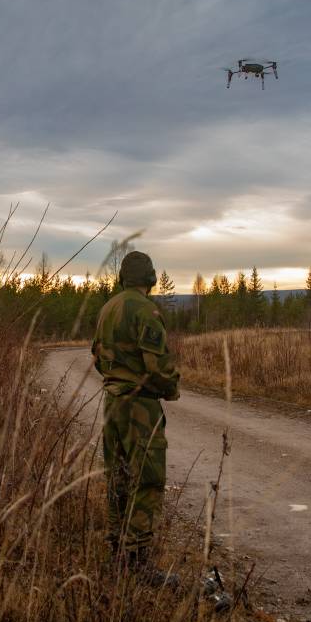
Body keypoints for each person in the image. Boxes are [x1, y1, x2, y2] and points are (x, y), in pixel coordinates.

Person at [92, 251, 180, 585]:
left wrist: (117, 378)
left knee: (117, 476)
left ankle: (116, 550)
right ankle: (138, 561)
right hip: (140, 406)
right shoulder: (146, 310)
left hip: (112, 404)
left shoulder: (107, 309)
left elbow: (97, 356)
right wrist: (170, 388)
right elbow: (158, 366)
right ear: (151, 278)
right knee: (148, 478)